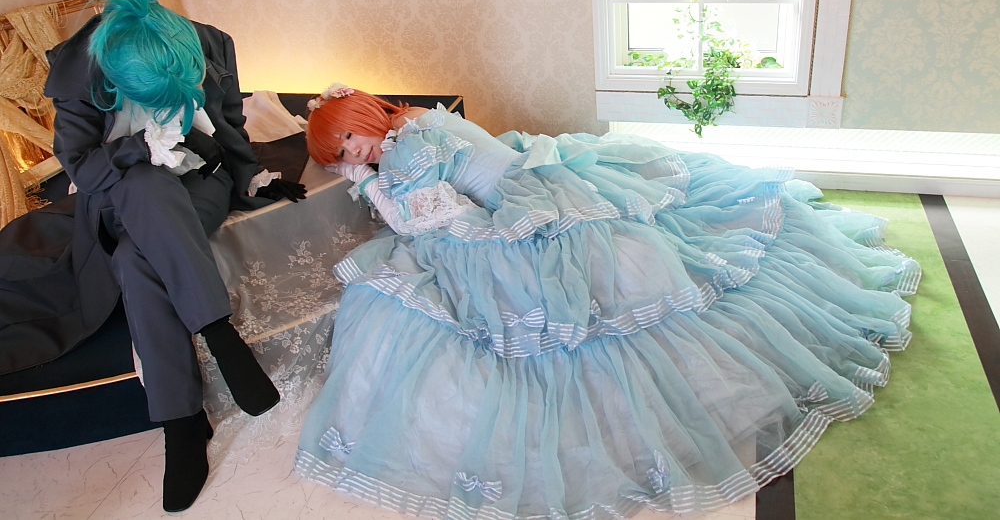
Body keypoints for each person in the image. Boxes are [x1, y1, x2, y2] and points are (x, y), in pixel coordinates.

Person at [295, 86, 920, 518]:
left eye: (349, 140)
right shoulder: (419, 119)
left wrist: (369, 184)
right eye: (342, 154)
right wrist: (373, 172)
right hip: (539, 180)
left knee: (429, 300)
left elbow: (415, 220)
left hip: (517, 216)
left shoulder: (405, 150)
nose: (354, 154)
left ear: (364, 115)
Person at [42, 0, 307, 512]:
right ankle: (219, 334)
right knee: (143, 183)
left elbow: (228, 123)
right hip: (121, 193)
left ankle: (180, 423)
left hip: (201, 180)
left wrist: (252, 177)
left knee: (138, 262)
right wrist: (137, 147)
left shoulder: (210, 43)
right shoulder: (76, 72)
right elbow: (84, 170)